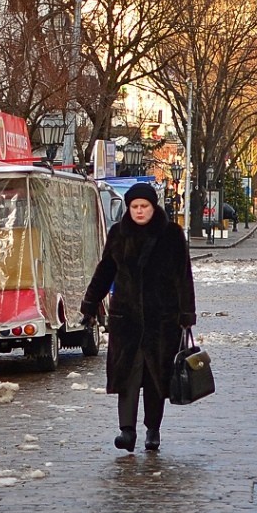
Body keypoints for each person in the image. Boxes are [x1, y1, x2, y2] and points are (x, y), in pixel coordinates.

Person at [81, 182, 196, 454]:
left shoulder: (171, 234)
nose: (140, 211)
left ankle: (153, 430)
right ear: (128, 207)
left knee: (155, 378)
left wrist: (186, 314)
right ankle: (126, 431)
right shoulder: (118, 233)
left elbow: (183, 276)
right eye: (135, 206)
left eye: (144, 206)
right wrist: (90, 304)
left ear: (153, 207)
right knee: (128, 376)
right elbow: (105, 271)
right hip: (126, 319)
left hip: (162, 320)